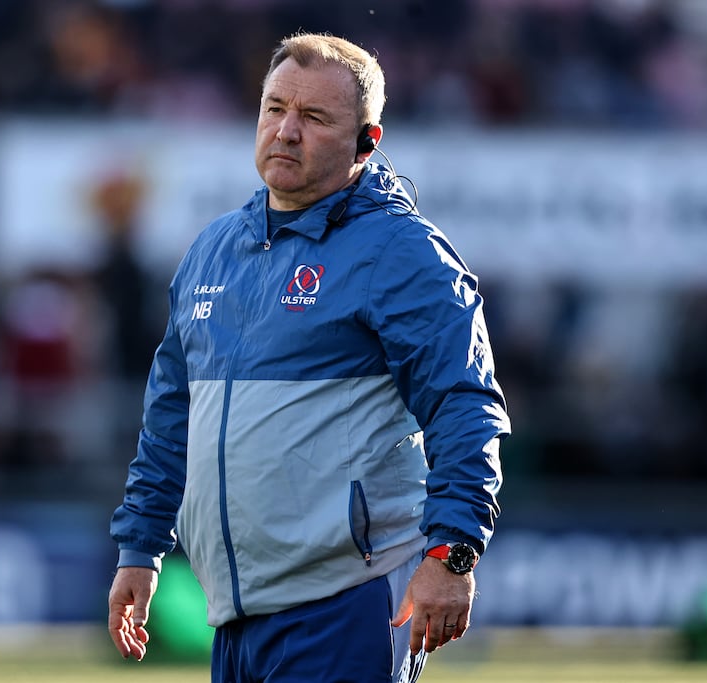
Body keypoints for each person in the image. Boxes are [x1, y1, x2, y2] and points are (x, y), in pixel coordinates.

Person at [107, 32, 510, 682]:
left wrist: (453, 551)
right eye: (275, 109)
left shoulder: (401, 253)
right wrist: (141, 546)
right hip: (236, 617)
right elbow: (170, 418)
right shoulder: (214, 250)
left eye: (315, 118)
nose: (286, 131)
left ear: (366, 142)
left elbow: (466, 404)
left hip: (347, 603)